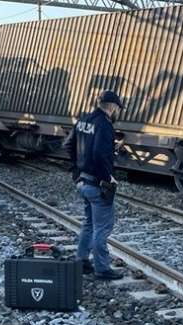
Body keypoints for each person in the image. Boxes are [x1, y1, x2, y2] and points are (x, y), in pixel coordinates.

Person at [63, 90, 125, 280]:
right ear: (113, 107)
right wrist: (107, 177)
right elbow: (98, 153)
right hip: (97, 183)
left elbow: (68, 145)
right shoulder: (105, 125)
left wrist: (76, 170)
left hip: (82, 181)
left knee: (89, 223)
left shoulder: (84, 119)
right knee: (102, 227)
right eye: (117, 109)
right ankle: (102, 269)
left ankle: (81, 261)